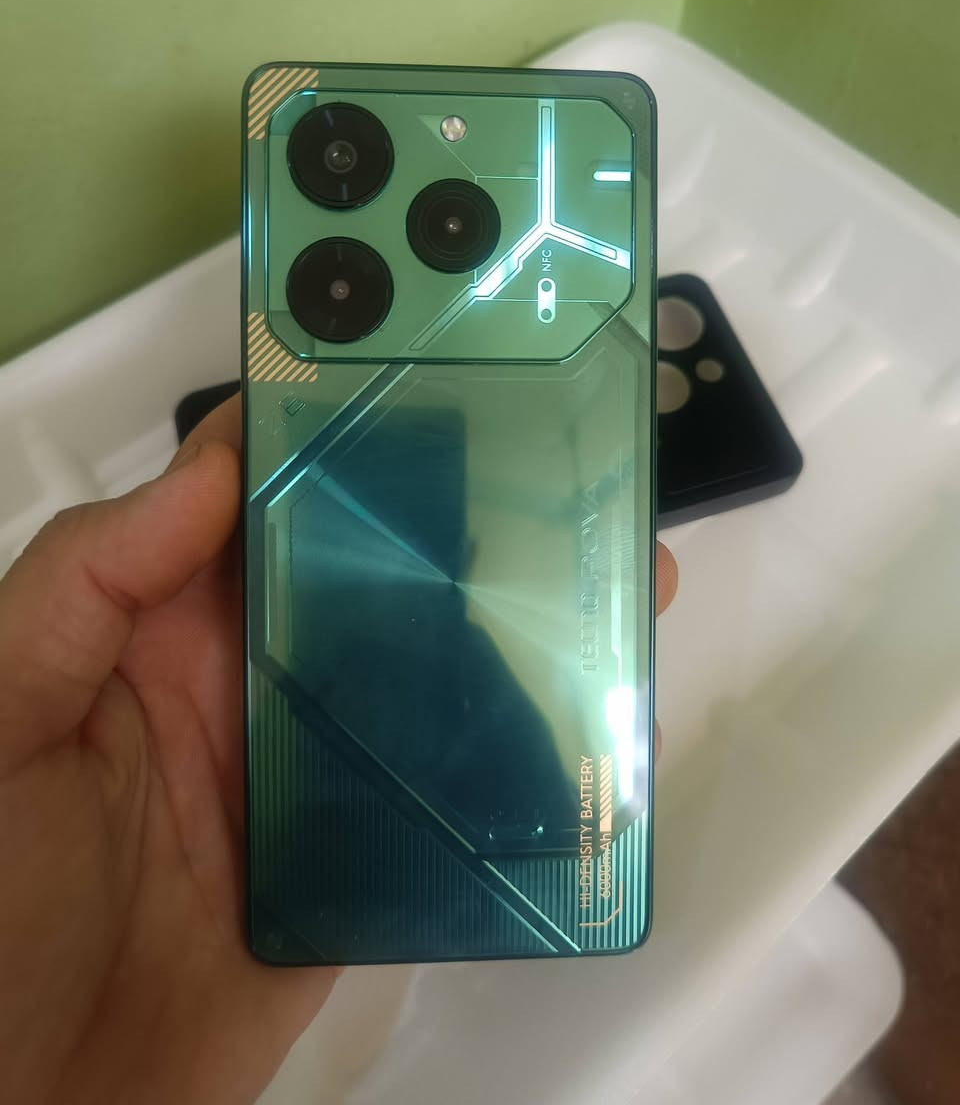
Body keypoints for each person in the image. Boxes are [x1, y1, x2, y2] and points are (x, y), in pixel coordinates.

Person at [0, 396, 678, 1104]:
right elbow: (567, 884)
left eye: (406, 553)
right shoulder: (314, 683)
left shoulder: (447, 689)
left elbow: (565, 877)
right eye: (366, 547)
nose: (391, 582)